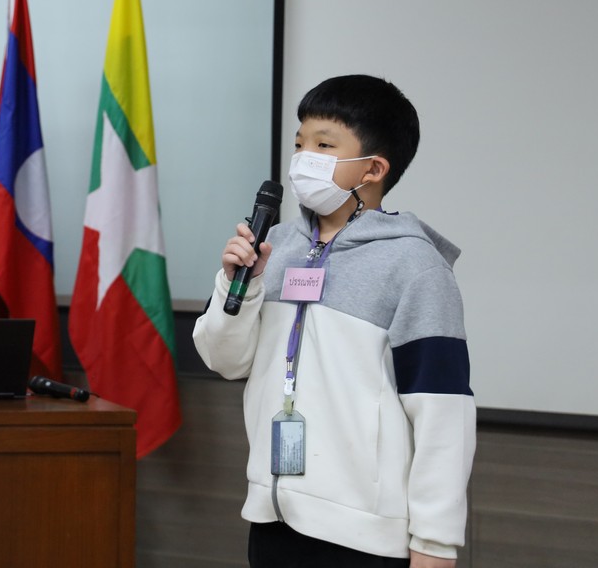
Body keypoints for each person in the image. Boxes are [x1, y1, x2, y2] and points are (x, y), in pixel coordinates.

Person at [193, 75, 474, 568]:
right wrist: (239, 283)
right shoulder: (274, 247)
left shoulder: (415, 266)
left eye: (324, 145)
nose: (304, 158)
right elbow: (225, 360)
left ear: (373, 168)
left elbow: (442, 411)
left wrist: (435, 542)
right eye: (299, 143)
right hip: (273, 516)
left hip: (363, 536)